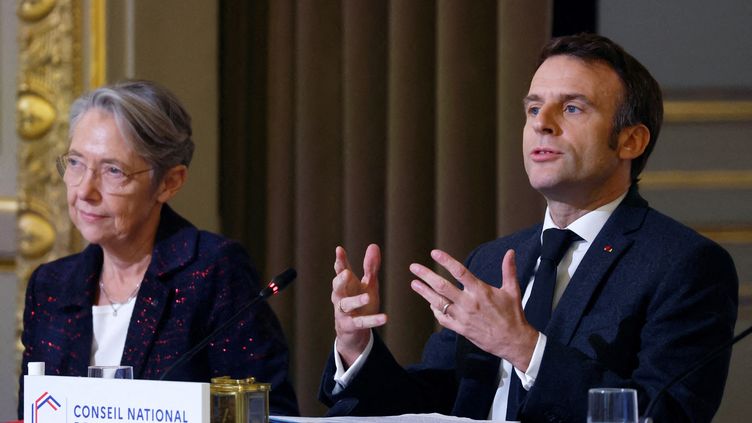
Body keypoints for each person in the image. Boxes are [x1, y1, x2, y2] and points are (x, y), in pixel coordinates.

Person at [319, 33, 738, 422]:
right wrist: (357, 349)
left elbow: (662, 413)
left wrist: (522, 347)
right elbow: (433, 403)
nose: (542, 123)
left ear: (630, 141)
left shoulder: (685, 265)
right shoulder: (492, 260)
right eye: (534, 108)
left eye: (572, 108)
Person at [19, 80, 299, 417]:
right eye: (76, 163)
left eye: (112, 170)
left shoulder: (212, 272)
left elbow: (268, 413)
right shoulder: (50, 286)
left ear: (169, 183)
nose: (84, 190)